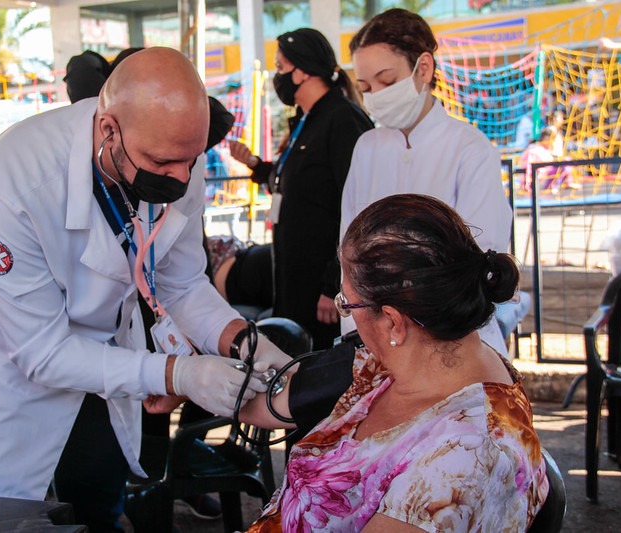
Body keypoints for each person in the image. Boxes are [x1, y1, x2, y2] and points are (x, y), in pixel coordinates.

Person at [0, 48, 292, 531]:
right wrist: (178, 374)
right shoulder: (17, 177)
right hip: (5, 364)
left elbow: (183, 283)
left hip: (100, 353)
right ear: (108, 131)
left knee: (99, 504)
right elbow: (40, 352)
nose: (181, 179)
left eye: (191, 161)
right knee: (8, 519)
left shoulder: (177, 152)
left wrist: (243, 339)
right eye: (164, 163)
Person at [239, 194, 549, 531]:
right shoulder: (397, 364)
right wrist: (187, 375)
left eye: (348, 304)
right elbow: (271, 401)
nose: (350, 317)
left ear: (392, 322)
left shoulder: (465, 456)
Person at [341, 8, 512, 356]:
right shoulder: (367, 147)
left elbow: (482, 254)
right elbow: (348, 249)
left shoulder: (469, 147)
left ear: (423, 68)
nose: (376, 95)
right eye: (365, 87)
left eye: (387, 82)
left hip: (456, 339)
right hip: (377, 337)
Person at [230, 28, 374, 350]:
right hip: (294, 279)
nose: (276, 77)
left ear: (304, 70)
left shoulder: (342, 121)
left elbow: (357, 208)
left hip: (322, 288)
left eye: (281, 68)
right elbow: (300, 188)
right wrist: (257, 166)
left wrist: (334, 283)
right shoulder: (306, 120)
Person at [518, 126, 577, 194]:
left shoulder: (546, 151)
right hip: (536, 181)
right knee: (564, 163)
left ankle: (565, 183)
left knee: (566, 161)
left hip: (544, 179)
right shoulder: (534, 150)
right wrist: (526, 185)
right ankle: (549, 186)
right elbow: (527, 168)